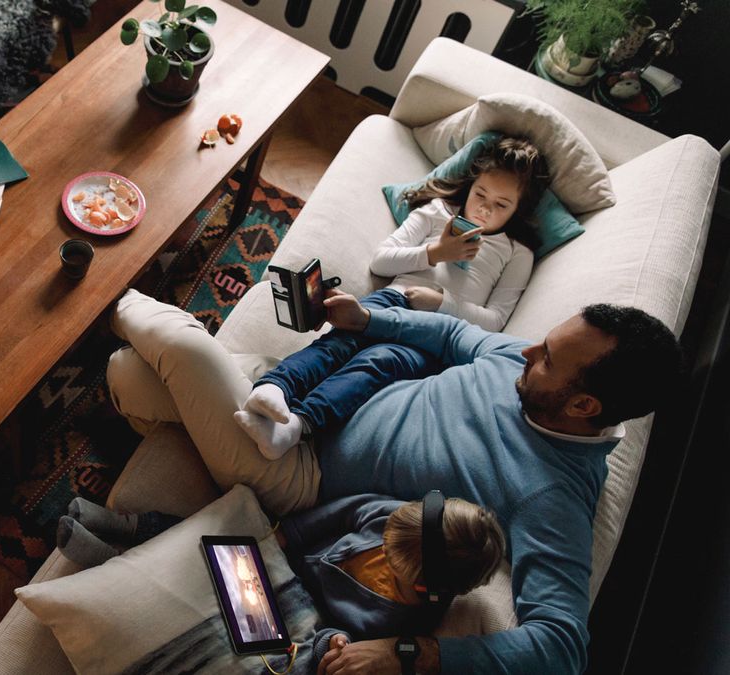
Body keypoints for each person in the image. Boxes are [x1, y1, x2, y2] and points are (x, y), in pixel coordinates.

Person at [105, 288, 683, 674]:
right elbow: (455, 337)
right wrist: (372, 320)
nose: (526, 349)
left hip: (299, 472)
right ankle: (141, 389)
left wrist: (410, 653)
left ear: (582, 404)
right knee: (128, 374)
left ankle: (109, 292)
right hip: (323, 398)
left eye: (548, 358)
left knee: (178, 346)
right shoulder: (523, 366)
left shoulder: (551, 494)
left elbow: (561, 646)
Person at [236, 136, 550, 460]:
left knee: (380, 362)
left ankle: (297, 426)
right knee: (341, 342)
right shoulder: (437, 211)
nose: (484, 209)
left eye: (501, 205)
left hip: (438, 335)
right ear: (471, 183)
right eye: (480, 194)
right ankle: (274, 387)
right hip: (394, 300)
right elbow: (381, 261)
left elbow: (496, 321)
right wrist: (434, 253)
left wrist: (441, 302)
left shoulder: (517, 252)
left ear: (518, 209)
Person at [59, 492, 505, 675]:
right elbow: (335, 516)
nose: (383, 558)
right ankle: (131, 526)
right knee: (214, 542)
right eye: (387, 543)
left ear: (429, 591)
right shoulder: (385, 515)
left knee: (212, 605)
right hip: (275, 555)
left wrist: (336, 642)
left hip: (290, 608)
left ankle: (114, 563)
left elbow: (348, 636)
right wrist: (279, 536)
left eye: (395, 568)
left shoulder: (411, 618)